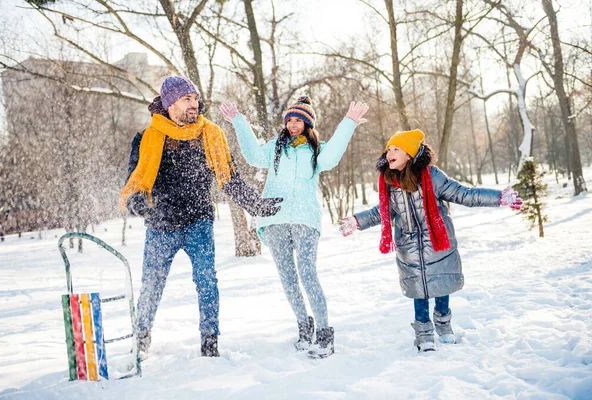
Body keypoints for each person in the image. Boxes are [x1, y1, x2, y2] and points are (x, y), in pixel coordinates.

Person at [120, 76, 283, 359]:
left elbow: (230, 178)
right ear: (170, 103)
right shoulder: (147, 137)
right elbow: (135, 181)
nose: (194, 104)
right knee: (152, 284)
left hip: (199, 221)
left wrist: (255, 205)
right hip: (161, 225)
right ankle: (142, 339)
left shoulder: (210, 133)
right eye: (186, 99)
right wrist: (136, 203)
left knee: (207, 281)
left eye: (195, 99)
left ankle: (210, 343)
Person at [339, 129, 522, 352]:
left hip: (437, 244)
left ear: (409, 154)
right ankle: (424, 335)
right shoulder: (389, 182)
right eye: (388, 149)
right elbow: (382, 212)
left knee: (441, 286)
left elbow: (465, 194)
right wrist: (357, 221)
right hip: (409, 249)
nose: (389, 153)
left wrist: (498, 198)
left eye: (396, 149)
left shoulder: (433, 176)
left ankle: (444, 327)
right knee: (419, 292)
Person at [219, 97, 368, 358]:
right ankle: (303, 325)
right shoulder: (276, 148)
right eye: (289, 120)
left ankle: (323, 333)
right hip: (275, 221)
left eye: (298, 120)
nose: (293, 125)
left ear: (307, 123)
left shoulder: (316, 151)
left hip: (304, 221)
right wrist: (238, 121)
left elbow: (333, 157)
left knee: (308, 275)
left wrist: (349, 123)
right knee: (288, 279)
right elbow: (253, 155)